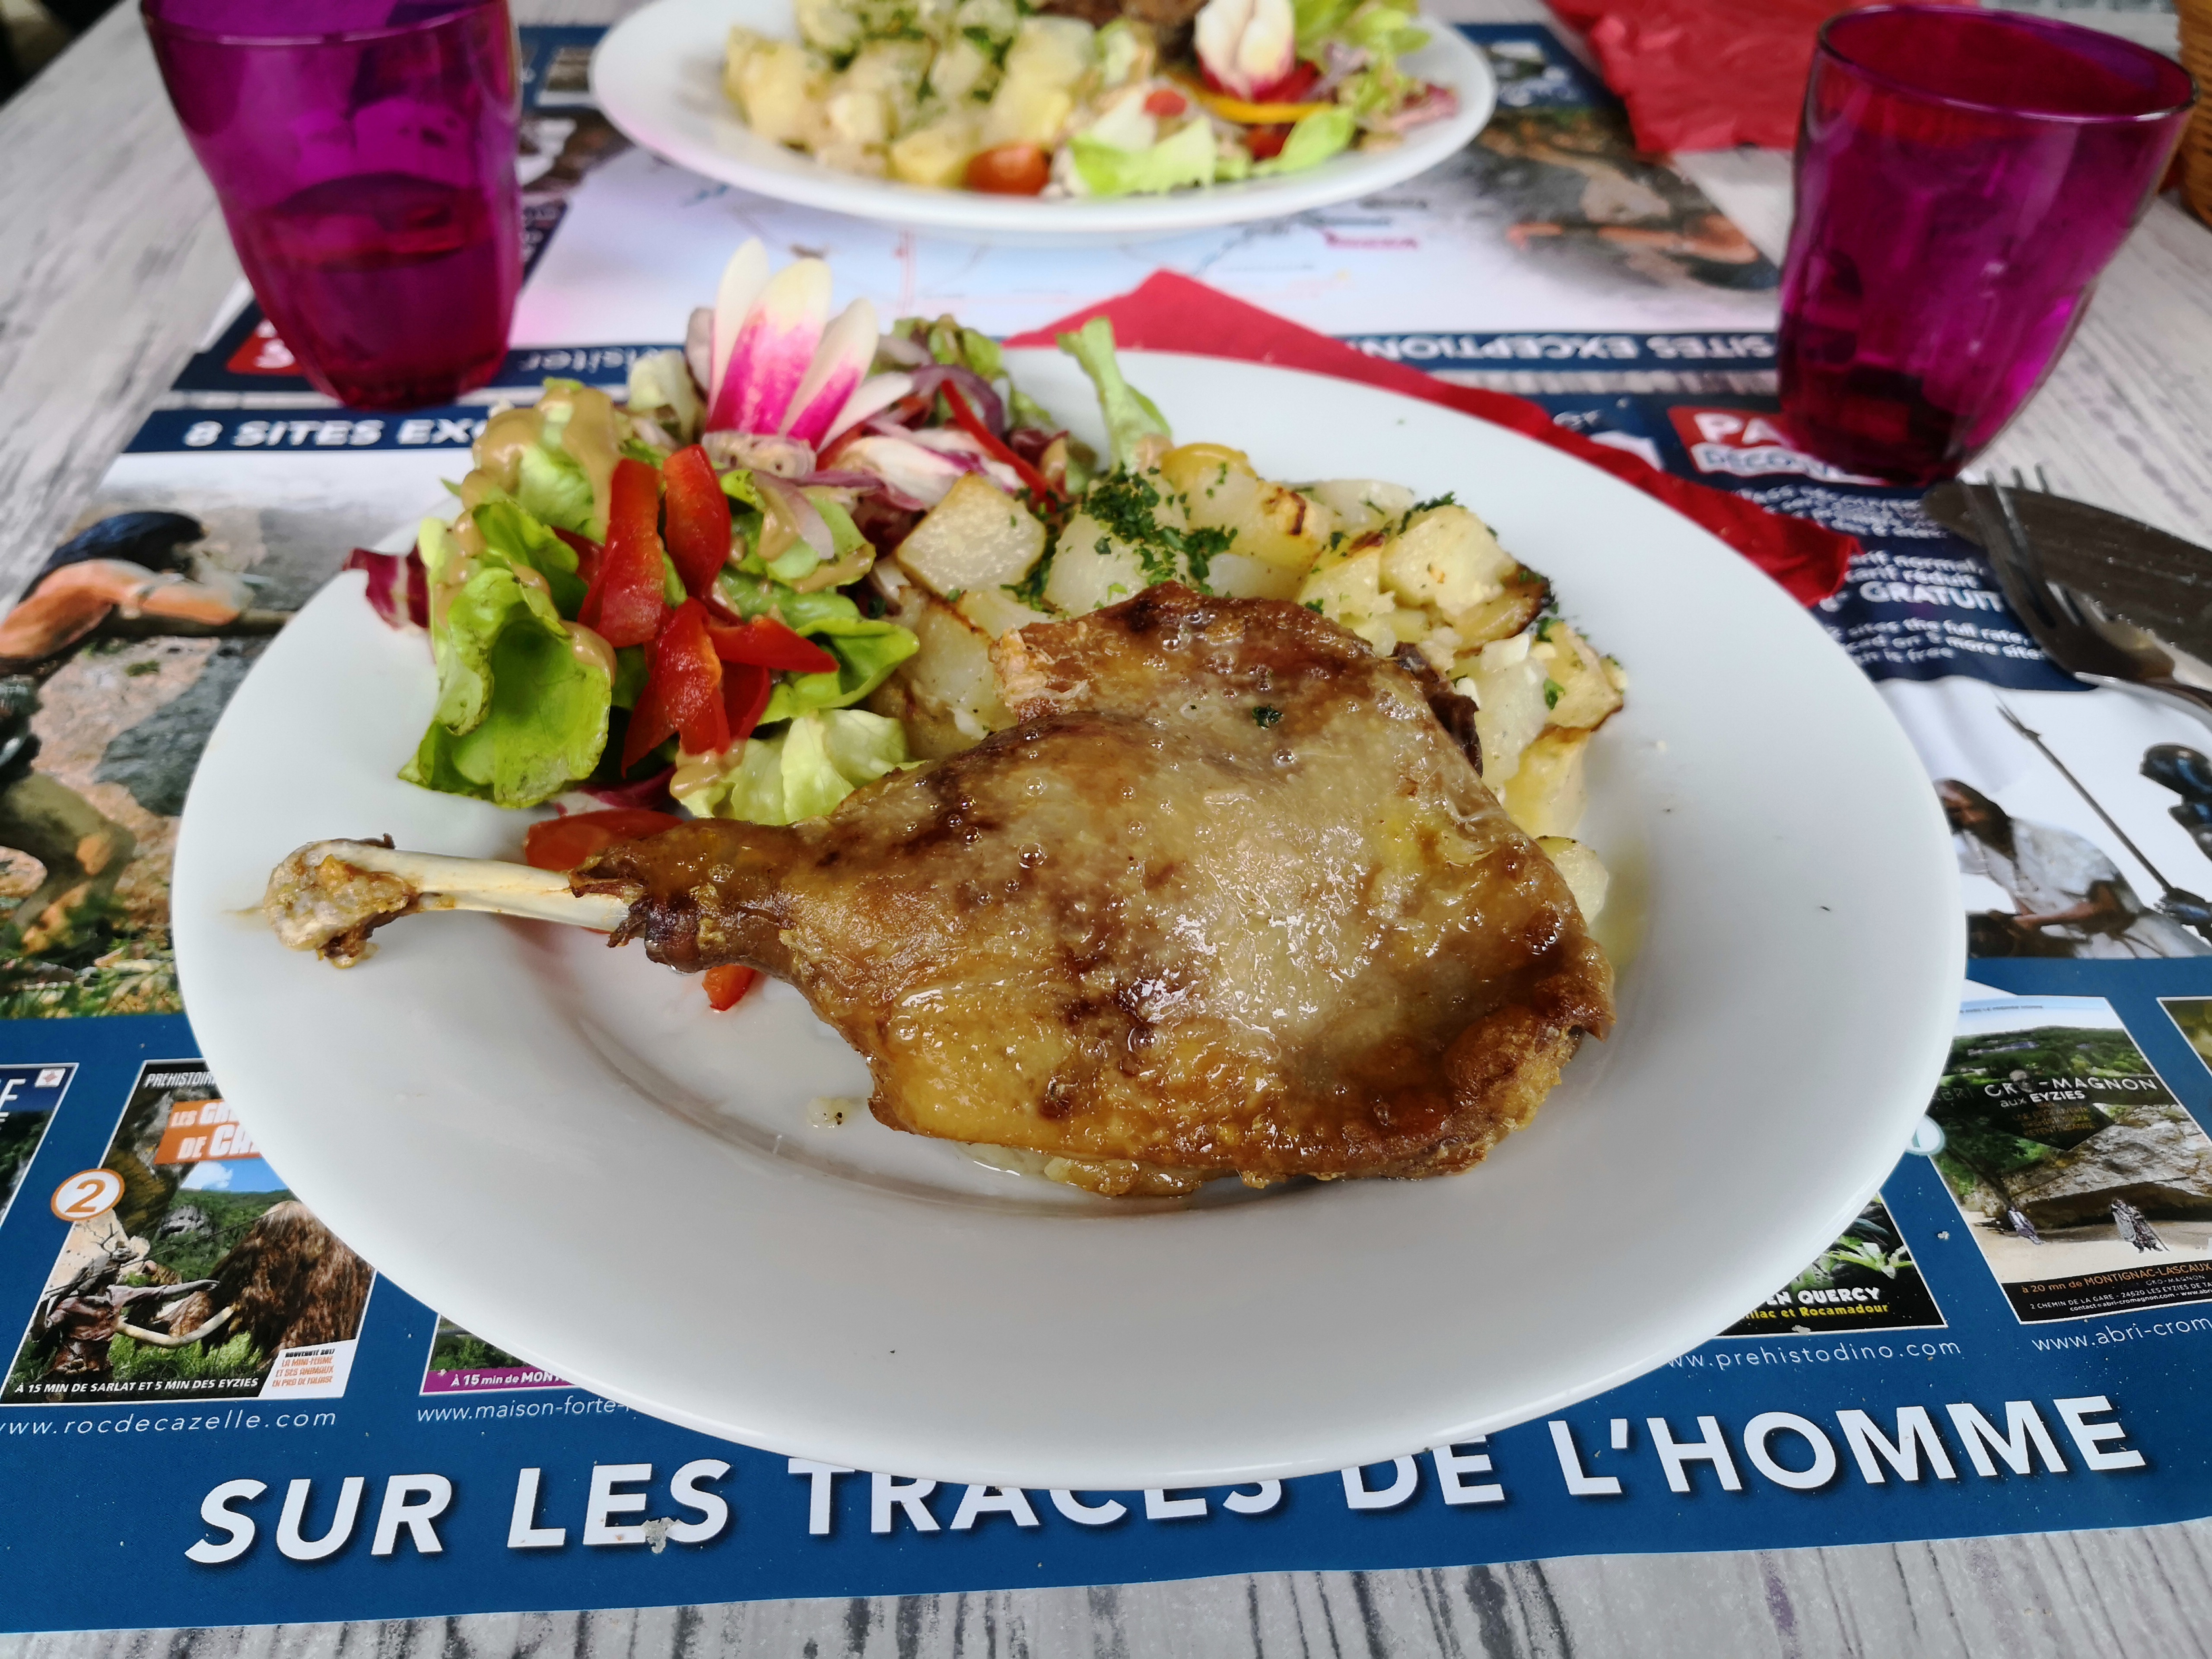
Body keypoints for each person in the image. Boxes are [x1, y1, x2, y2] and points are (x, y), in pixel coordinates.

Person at [1937, 779, 2209, 959]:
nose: (1972, 818)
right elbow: (2026, 901)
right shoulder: (1983, 852)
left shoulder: (2052, 841)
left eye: (1973, 808)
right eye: (1958, 814)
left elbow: (2110, 909)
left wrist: (2037, 922)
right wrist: (2017, 926)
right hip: (2091, 956)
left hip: (2145, 945)